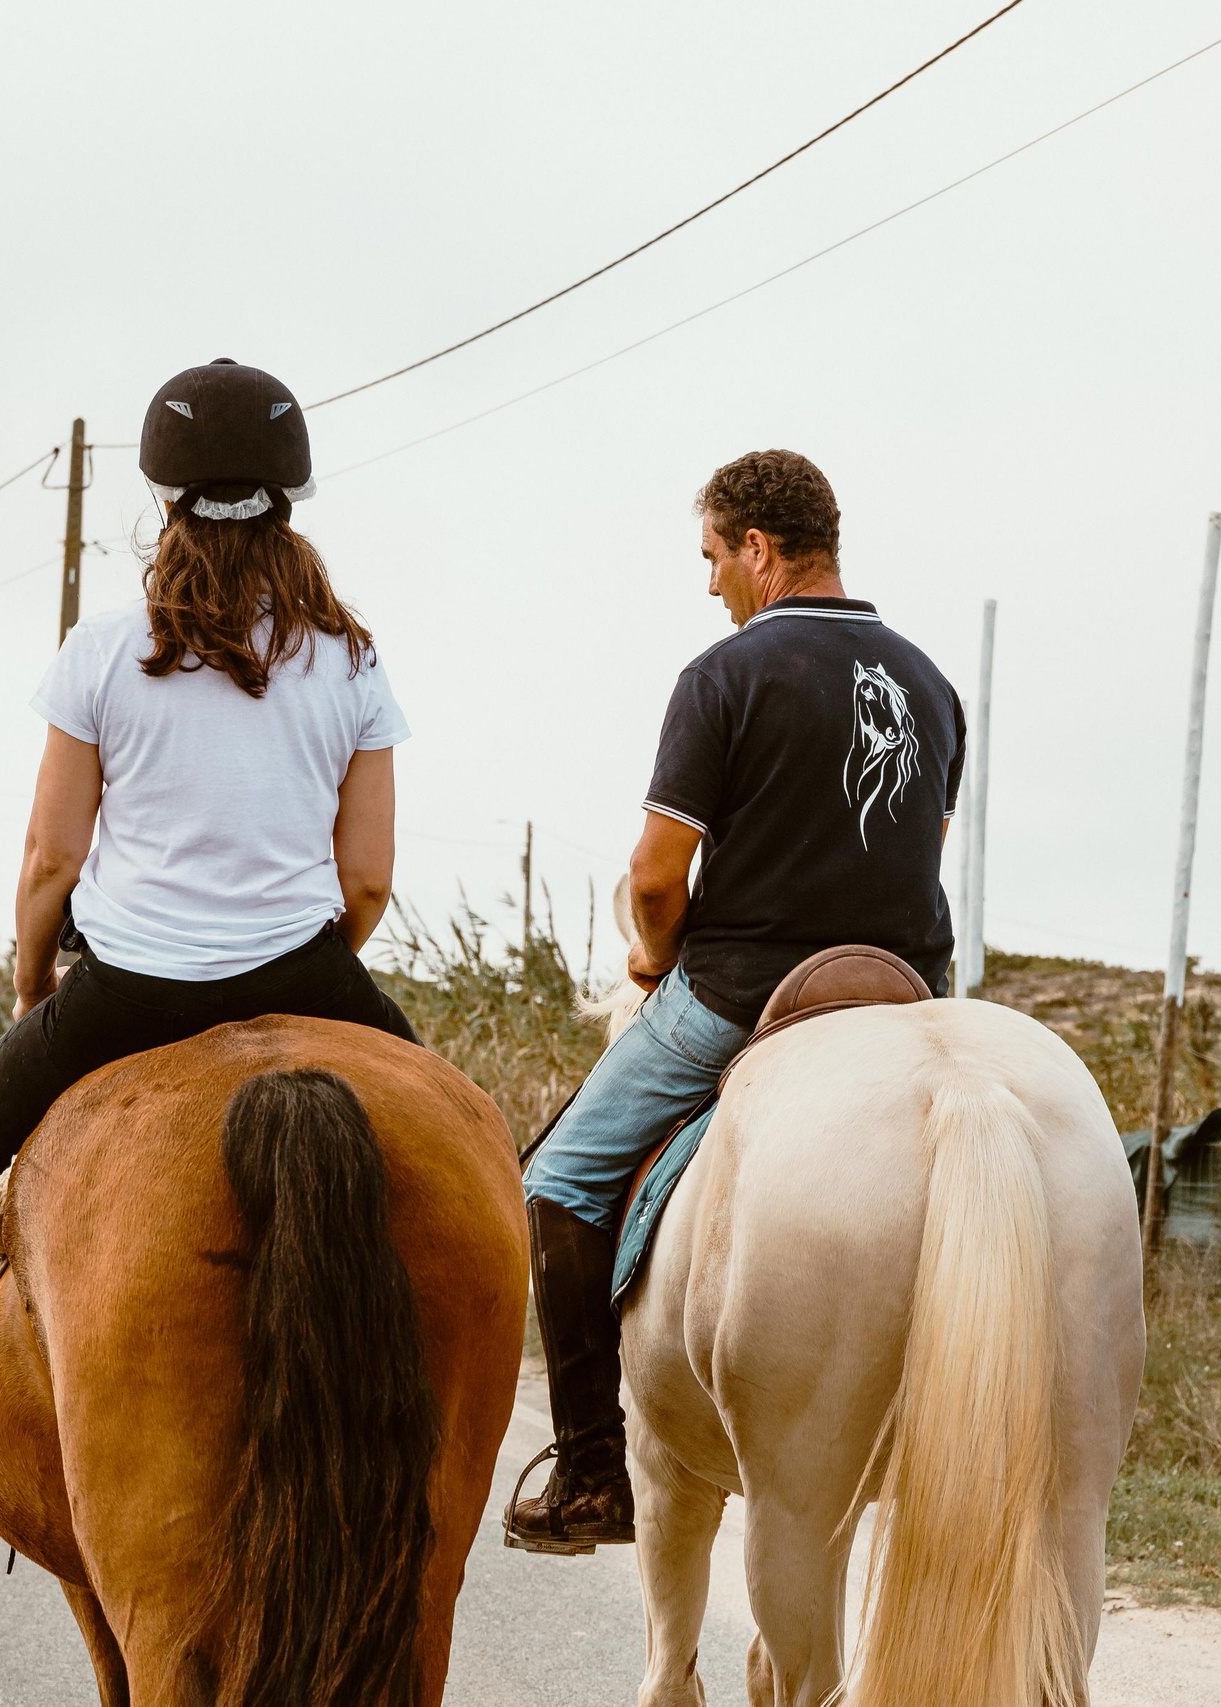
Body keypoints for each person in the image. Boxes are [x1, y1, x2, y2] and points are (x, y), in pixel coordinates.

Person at [0, 359, 419, 1555]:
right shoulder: (354, 658)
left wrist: (32, 990)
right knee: (462, 1142)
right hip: (309, 974)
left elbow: (49, 862)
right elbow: (368, 876)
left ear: (162, 504)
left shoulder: (105, 651)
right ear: (293, 502)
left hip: (131, 991)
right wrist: (313, 966)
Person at [504, 449, 963, 1553]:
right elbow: (913, 853)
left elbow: (659, 879)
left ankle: (592, 1474)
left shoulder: (723, 676)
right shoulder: (932, 685)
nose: (710, 583)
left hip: (748, 990)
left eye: (713, 557)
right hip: (909, 996)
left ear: (757, 549)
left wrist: (653, 961)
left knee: (555, 1183)